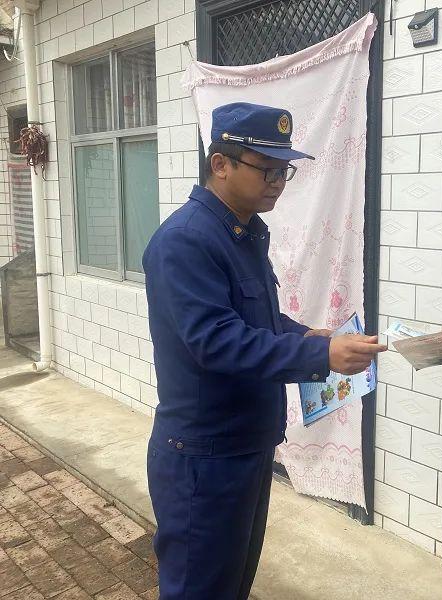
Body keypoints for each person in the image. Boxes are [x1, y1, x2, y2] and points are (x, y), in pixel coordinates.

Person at [143, 102, 386, 599]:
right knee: (198, 591)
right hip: (204, 458)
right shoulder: (186, 241)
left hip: (243, 447)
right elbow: (217, 342)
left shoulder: (241, 232)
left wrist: (309, 336)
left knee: (231, 585)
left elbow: (257, 321)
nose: (278, 182)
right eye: (267, 169)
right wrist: (321, 357)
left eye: (283, 171)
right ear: (220, 164)